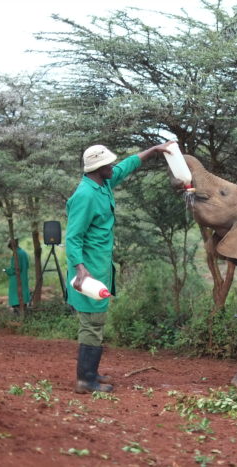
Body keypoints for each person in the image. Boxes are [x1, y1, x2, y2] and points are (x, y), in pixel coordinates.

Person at [66, 141, 175, 393]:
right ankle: (85, 380)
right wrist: (81, 270)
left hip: (99, 267)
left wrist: (155, 150)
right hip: (89, 270)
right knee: (92, 322)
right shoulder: (85, 195)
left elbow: (126, 167)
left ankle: (90, 373)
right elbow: (73, 237)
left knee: (97, 320)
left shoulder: (102, 185)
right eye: (109, 163)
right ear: (98, 167)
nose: (113, 165)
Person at [4, 239, 30, 315]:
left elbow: (15, 269)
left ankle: (18, 314)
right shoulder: (24, 253)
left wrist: (6, 270)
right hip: (24, 278)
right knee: (23, 295)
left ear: (12, 246)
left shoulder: (16, 254)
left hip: (16, 280)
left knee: (16, 298)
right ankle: (23, 312)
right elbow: (27, 265)